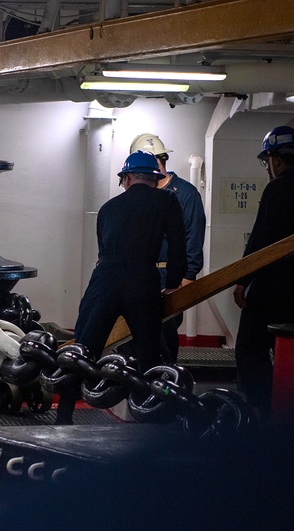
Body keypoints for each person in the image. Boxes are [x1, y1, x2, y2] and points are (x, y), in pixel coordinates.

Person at [55, 150, 187, 425]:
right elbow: (177, 245)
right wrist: (174, 284)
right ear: (156, 178)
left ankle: (63, 416)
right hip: (143, 279)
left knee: (82, 351)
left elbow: (104, 247)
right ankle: (154, 419)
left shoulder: (108, 208)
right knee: (149, 354)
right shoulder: (167, 200)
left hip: (105, 278)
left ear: (126, 178)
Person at [233, 126, 294, 419]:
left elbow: (262, 238)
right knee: (288, 348)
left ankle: (260, 407)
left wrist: (242, 280)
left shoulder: (276, 190)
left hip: (272, 282)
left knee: (249, 346)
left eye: (267, 161)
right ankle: (288, 407)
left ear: (276, 160)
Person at [129, 133, 206, 362]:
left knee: (165, 332)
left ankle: (166, 384)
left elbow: (193, 235)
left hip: (170, 275)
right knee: (137, 334)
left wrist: (188, 275)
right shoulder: (141, 193)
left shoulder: (185, 193)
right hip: (141, 273)